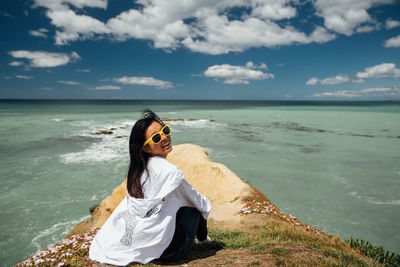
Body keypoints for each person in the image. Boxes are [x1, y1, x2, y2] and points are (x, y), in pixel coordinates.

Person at [89, 110, 211, 266]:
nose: (165, 137)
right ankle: (203, 241)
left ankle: (159, 246)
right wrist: (202, 234)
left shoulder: (138, 173)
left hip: (145, 245)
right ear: (146, 149)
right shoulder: (170, 172)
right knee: (194, 207)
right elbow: (200, 203)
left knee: (178, 203)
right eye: (156, 137)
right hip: (171, 253)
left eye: (165, 130)